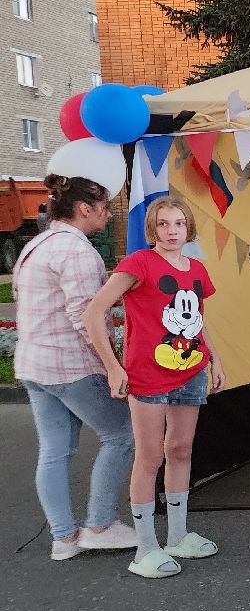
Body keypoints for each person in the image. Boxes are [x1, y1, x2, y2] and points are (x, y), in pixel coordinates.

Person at [84, 196, 225, 579]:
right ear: (152, 230)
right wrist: (113, 367)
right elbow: (95, 311)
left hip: (191, 371)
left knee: (180, 449)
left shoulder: (196, 269)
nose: (172, 231)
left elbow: (196, 318)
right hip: (148, 375)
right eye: (163, 224)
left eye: (179, 223)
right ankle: (146, 548)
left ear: (188, 227)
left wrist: (214, 357)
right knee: (149, 457)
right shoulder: (139, 263)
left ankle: (178, 536)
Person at [15, 174, 137, 563]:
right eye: (102, 208)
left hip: (33, 364)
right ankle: (100, 526)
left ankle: (63, 537)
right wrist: (113, 367)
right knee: (122, 433)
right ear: (85, 209)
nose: (107, 215)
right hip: (70, 367)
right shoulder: (79, 251)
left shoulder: (36, 245)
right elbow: (87, 318)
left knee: (54, 451)